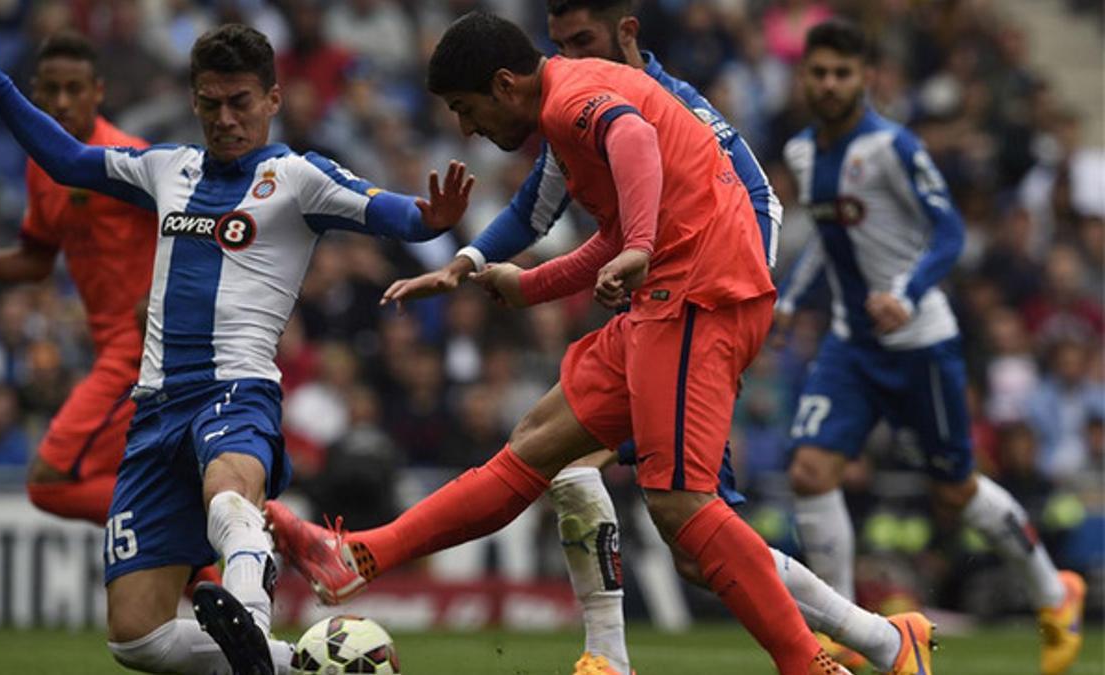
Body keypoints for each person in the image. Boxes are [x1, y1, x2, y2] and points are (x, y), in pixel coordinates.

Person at [359, 2, 932, 674]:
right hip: (660, 303)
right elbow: (543, 211)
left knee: (687, 519)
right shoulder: (576, 111)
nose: (572, 53)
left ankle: (843, 650)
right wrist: (478, 265)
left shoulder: (631, 104)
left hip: (699, 304)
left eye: (583, 40)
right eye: (561, 43)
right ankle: (606, 650)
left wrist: (705, 309)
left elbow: (749, 205)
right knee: (551, 448)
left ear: (627, 33)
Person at [0, 2, 473, 673]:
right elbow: (69, 159)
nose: (224, 119)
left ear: (273, 98)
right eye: (209, 103)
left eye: (240, 102)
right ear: (194, 101)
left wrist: (433, 219)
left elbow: (389, 212)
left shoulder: (297, 178)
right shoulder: (167, 169)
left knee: (228, 494)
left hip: (235, 391)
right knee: (135, 638)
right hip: (155, 409)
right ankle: (292, 664)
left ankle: (248, 618)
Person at [776, 19, 1084, 675]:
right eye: (819, 72)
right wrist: (788, 301)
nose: (829, 84)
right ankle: (841, 629)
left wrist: (907, 294)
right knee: (810, 471)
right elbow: (831, 248)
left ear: (867, 78)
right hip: (851, 344)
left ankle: (1056, 593)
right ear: (805, 77)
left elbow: (948, 232)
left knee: (955, 489)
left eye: (842, 73)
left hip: (919, 341)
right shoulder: (804, 152)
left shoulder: (892, 146)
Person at [0, 31, 154, 528]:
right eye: (53, 90)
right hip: (111, 353)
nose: (63, 101)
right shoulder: (43, 169)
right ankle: (203, 569)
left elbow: (193, 229)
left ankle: (185, 529)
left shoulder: (130, 159)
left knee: (50, 481)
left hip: (141, 355)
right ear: (36, 94)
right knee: (132, 481)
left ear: (98, 91)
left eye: (75, 89)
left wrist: (164, 291)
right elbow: (37, 260)